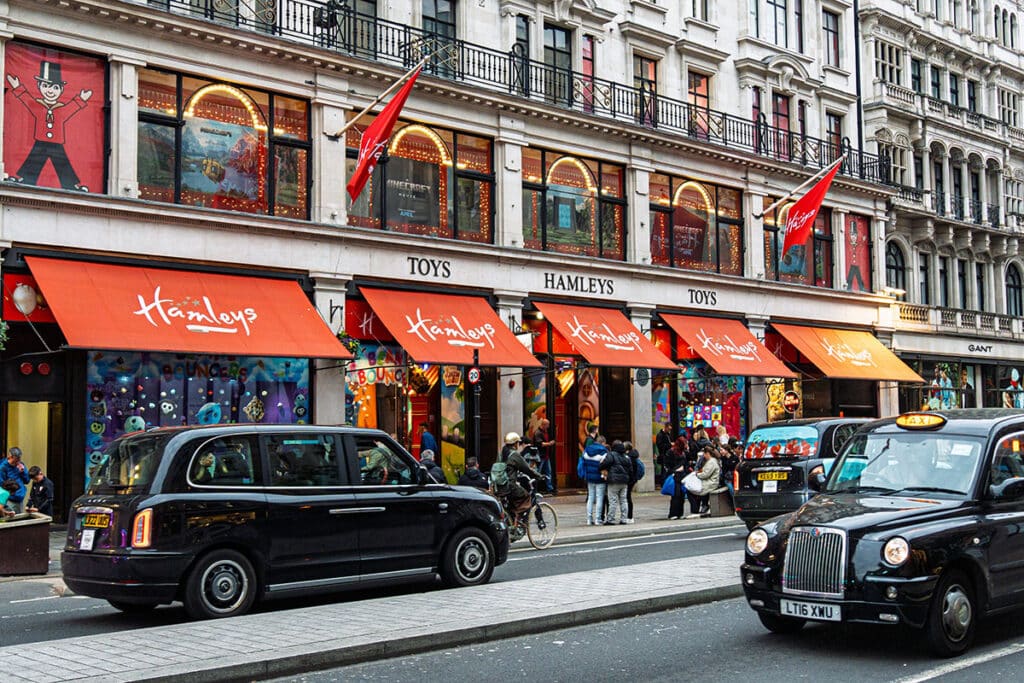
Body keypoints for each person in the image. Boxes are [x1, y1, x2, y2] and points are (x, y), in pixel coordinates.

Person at [498, 432, 545, 514]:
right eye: (518, 443)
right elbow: (527, 469)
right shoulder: (514, 454)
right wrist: (539, 476)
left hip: (499, 487)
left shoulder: (501, 454)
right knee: (526, 496)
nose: (518, 445)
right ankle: (518, 518)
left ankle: (511, 517)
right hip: (510, 486)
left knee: (513, 501)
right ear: (515, 443)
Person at [600, 440, 632, 525]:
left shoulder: (612, 454)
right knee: (623, 500)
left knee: (613, 500)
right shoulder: (626, 457)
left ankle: (611, 519)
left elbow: (605, 463)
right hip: (624, 481)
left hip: (614, 481)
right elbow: (630, 470)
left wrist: (600, 468)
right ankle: (624, 519)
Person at [581, 435, 609, 525]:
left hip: (589, 477)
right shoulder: (603, 451)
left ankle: (589, 519)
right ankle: (598, 519)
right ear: (603, 442)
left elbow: (583, 462)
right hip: (600, 477)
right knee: (599, 498)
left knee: (590, 498)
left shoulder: (587, 450)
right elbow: (606, 464)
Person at [689, 445, 722, 519]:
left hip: (710, 483)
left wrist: (697, 474)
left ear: (708, 453)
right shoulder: (711, 461)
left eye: (704, 454)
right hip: (708, 481)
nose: (703, 456)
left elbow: (705, 474)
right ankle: (699, 508)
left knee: (691, 490)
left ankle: (697, 509)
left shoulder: (712, 462)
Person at [665, 437, 691, 520]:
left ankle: (679, 513)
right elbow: (667, 464)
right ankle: (673, 513)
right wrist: (674, 470)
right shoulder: (671, 452)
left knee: (682, 495)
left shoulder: (684, 453)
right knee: (676, 495)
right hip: (675, 475)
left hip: (682, 475)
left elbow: (687, 464)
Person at [0, 447, 30, 514]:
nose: (19, 460)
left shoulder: (21, 464)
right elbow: (2, 484)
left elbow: (27, 481)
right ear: (11, 457)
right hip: (9, 499)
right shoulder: (3, 467)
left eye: (20, 458)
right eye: (17, 458)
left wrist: (23, 472)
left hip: (20, 498)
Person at [531, 418, 556, 493]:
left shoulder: (545, 432)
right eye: (547, 425)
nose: (548, 426)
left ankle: (550, 488)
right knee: (538, 473)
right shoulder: (538, 433)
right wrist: (550, 443)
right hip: (540, 457)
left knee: (548, 472)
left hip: (545, 456)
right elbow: (540, 444)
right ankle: (535, 488)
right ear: (543, 425)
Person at [624, 441, 645, 524]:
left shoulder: (629, 457)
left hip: (629, 480)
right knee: (628, 497)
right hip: (633, 480)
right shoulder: (634, 456)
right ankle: (629, 516)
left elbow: (630, 470)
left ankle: (628, 516)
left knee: (626, 498)